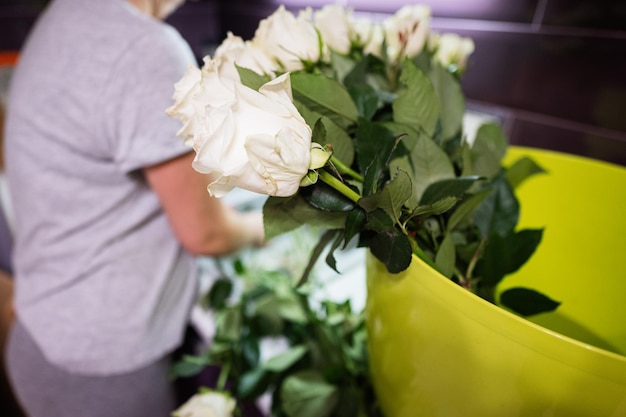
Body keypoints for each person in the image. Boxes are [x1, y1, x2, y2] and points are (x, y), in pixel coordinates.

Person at [2, 0, 265, 416]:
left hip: (40, 337)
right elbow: (205, 233)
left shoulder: (66, 13)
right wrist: (263, 228)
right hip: (101, 371)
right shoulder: (146, 50)